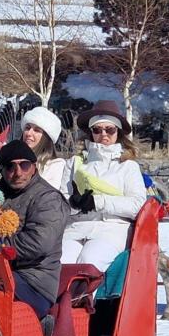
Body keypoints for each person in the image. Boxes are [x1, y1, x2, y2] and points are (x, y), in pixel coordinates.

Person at [59, 100, 146, 272]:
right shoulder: (74, 163)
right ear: (91, 133)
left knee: (89, 262)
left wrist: (97, 202)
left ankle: (83, 299)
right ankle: (61, 299)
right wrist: (74, 204)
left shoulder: (128, 166)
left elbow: (137, 205)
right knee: (61, 263)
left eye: (110, 129)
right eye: (97, 130)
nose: (103, 134)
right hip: (76, 228)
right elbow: (61, 202)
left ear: (118, 132)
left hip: (111, 230)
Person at [0, 140, 70, 336]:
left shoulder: (48, 198)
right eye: (11, 166)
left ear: (34, 167)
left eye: (24, 165)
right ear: (1, 170)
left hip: (34, 283)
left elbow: (38, 244)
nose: (18, 172)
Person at [19, 106, 66, 190]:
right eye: (27, 128)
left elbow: (47, 196)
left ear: (46, 138)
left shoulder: (55, 165)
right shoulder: (13, 160)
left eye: (37, 130)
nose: (29, 133)